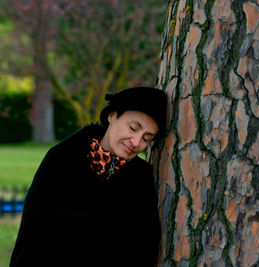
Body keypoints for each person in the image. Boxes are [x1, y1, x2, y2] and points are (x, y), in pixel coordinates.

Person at [10, 87, 167, 267]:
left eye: (146, 138)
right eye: (133, 128)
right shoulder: (62, 157)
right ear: (112, 116)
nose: (136, 142)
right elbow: (39, 228)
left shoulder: (141, 177)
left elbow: (145, 246)